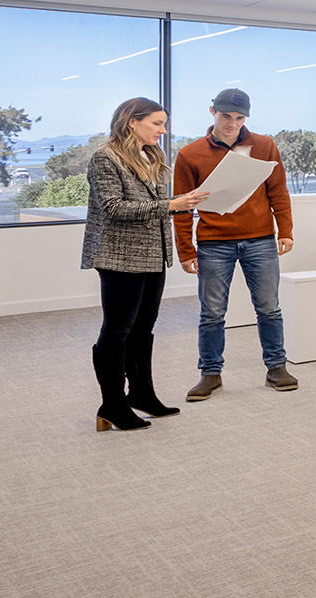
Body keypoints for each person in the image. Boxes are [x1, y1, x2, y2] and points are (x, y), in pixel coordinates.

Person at [80, 98, 209, 431]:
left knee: (143, 328)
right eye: (157, 123)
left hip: (153, 255)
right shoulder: (104, 158)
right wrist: (170, 204)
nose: (163, 131)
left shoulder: (150, 156)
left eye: (164, 124)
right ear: (131, 122)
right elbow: (113, 208)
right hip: (120, 257)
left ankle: (141, 393)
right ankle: (112, 404)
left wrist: (186, 204)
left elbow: (155, 207)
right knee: (117, 330)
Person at [174, 88, 297, 399]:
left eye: (239, 118)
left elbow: (278, 192)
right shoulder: (189, 155)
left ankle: (276, 367)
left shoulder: (265, 145)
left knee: (269, 308)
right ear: (212, 111)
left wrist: (285, 231)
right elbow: (182, 206)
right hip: (214, 242)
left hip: (260, 239)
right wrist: (186, 250)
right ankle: (210, 374)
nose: (232, 123)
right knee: (212, 312)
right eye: (225, 116)